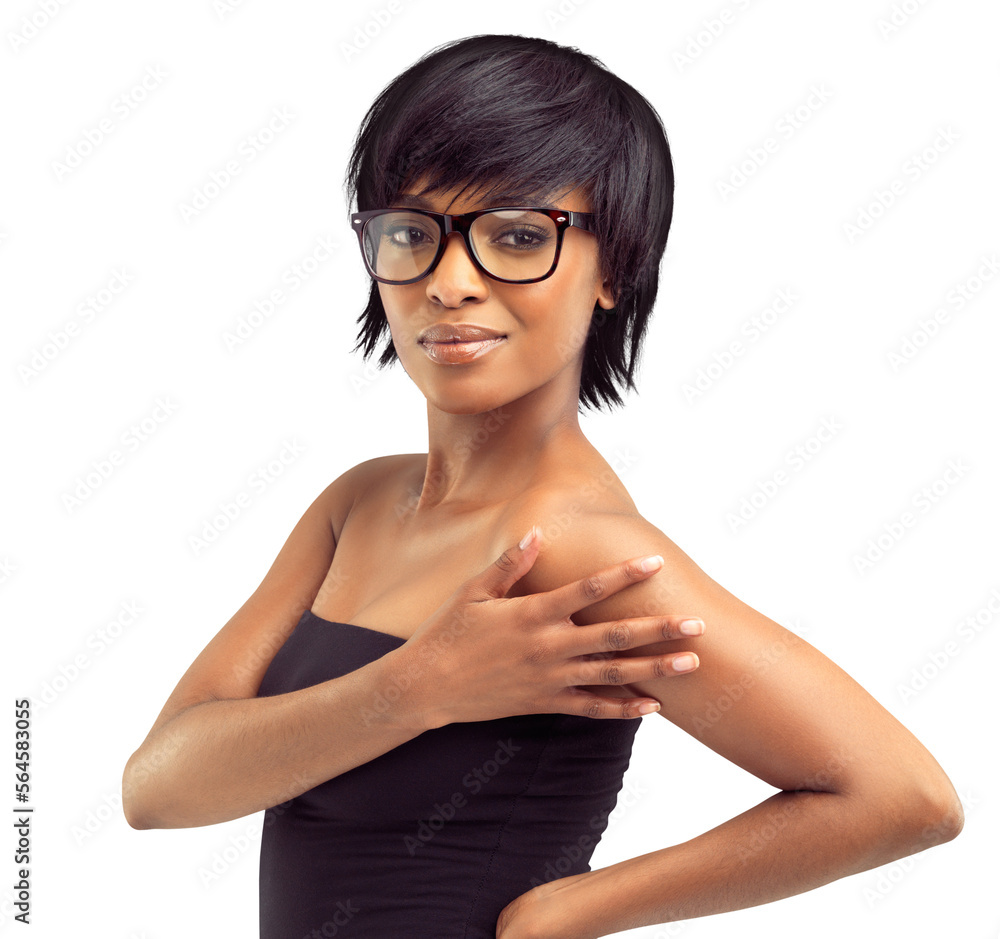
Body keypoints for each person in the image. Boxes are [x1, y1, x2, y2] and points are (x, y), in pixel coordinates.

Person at [122, 34, 963, 939]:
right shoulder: (357, 504)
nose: (448, 284)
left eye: (517, 237)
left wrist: (564, 912)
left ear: (616, 269)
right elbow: (159, 786)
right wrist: (416, 688)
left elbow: (900, 794)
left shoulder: (580, 549)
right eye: (411, 232)